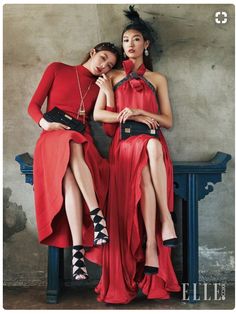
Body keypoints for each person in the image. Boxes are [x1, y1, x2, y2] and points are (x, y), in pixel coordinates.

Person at [93, 7, 181, 303]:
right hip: (124, 146)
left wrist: (142, 112)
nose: (130, 44)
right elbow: (98, 114)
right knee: (150, 148)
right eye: (126, 39)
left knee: (153, 148)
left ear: (147, 45)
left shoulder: (158, 79)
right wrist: (124, 115)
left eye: (136, 39)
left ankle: (155, 248)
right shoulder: (112, 75)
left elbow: (166, 122)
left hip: (151, 144)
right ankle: (164, 223)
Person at [28, 42, 120, 280]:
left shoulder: (99, 84)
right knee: (71, 140)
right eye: (102, 58)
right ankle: (97, 216)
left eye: (109, 65)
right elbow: (33, 106)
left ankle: (77, 252)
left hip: (82, 140)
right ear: (92, 53)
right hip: (52, 136)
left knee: (70, 175)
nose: (103, 66)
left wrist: (108, 92)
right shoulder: (58, 69)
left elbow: (109, 129)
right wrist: (45, 124)